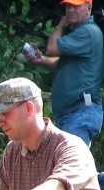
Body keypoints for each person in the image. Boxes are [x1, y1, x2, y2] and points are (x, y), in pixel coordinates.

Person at [24, 0, 103, 147]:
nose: (71, 10)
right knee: (65, 161)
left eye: (76, 6)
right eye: (68, 6)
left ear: (89, 7)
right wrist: (41, 60)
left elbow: (52, 48)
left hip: (80, 112)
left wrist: (60, 25)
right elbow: (61, 64)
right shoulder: (80, 32)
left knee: (71, 164)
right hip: (72, 113)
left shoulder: (87, 31)